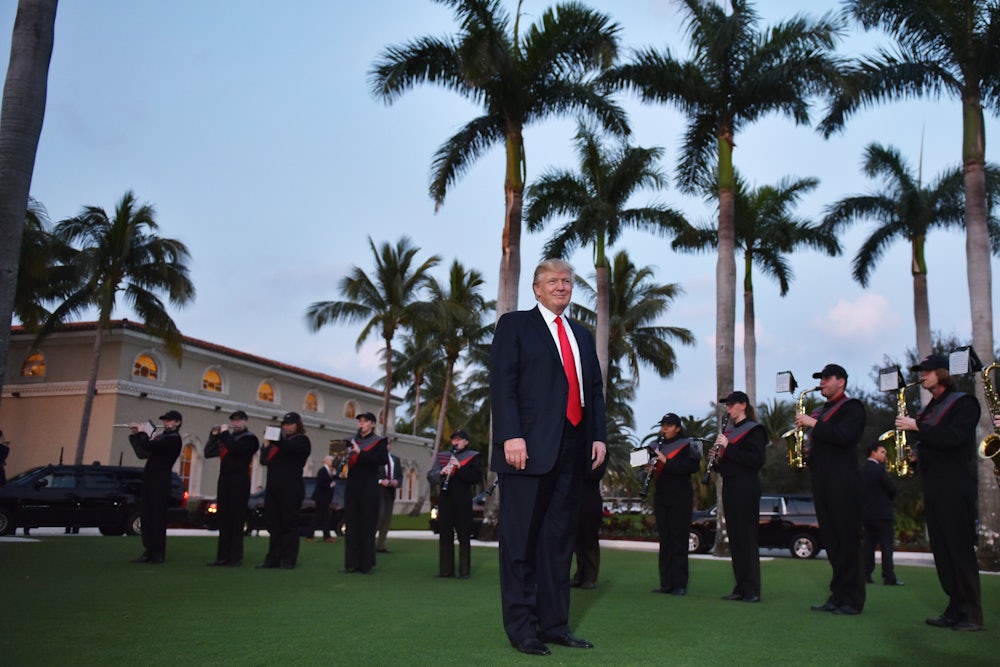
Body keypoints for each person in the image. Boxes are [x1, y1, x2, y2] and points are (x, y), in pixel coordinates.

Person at [490, 258, 607, 656]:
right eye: (553, 281)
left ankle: (555, 625)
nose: (561, 286)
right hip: (525, 450)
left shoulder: (582, 334)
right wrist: (511, 435)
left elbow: (594, 390)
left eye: (567, 281)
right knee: (520, 543)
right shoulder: (514, 325)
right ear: (537, 289)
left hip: (574, 450)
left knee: (558, 543)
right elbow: (502, 383)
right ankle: (523, 629)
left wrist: (598, 437)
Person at [896, 354, 983, 631]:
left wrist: (917, 427)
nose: (922, 375)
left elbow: (954, 439)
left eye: (927, 371)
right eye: (920, 371)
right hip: (933, 486)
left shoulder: (964, 403)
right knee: (943, 551)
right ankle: (955, 607)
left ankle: (972, 613)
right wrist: (915, 455)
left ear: (942, 373)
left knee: (959, 549)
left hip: (955, 485)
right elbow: (932, 442)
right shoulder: (930, 409)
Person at [795, 363, 866, 615]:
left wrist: (813, 424)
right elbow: (827, 441)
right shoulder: (821, 410)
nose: (821, 383)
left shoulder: (852, 407)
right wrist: (808, 451)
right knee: (833, 541)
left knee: (847, 540)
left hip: (843, 482)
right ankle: (838, 595)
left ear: (841, 381)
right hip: (822, 481)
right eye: (820, 379)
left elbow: (845, 436)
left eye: (826, 378)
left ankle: (853, 599)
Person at [714, 391, 767, 603]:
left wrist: (729, 447)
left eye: (731, 405)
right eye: (726, 406)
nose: (728, 409)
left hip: (747, 487)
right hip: (730, 486)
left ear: (743, 405)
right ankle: (740, 587)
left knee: (747, 538)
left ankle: (752, 589)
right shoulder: (729, 432)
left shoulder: (755, 430)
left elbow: (755, 460)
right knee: (735, 538)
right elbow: (726, 466)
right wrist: (716, 460)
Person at [649, 413, 702, 597]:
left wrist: (666, 462)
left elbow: (691, 467)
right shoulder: (657, 446)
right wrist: (648, 468)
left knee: (679, 540)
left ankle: (679, 584)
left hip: (680, 497)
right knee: (665, 541)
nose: (664, 428)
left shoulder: (687, 445)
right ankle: (666, 583)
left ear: (678, 428)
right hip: (662, 497)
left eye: (669, 425)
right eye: (663, 424)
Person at [205, 410, 260, 566]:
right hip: (225, 479)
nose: (236, 423)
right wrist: (214, 436)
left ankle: (235, 557)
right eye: (234, 421)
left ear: (245, 421)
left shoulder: (250, 439)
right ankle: (222, 556)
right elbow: (208, 452)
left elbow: (236, 450)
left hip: (240, 480)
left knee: (237, 519)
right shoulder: (227, 438)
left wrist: (224, 434)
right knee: (223, 518)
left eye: (239, 420)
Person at [128, 411, 183, 564]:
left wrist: (142, 433)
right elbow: (143, 453)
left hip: (161, 479)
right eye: (165, 420)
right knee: (147, 515)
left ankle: (158, 553)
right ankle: (148, 551)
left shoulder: (174, 439)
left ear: (177, 423)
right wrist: (136, 435)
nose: (166, 423)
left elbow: (148, 445)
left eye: (169, 420)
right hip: (150, 478)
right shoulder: (161, 437)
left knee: (157, 516)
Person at [257, 411, 311, 570]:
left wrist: (275, 437)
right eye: (285, 425)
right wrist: (266, 444)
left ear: (298, 425)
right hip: (273, 488)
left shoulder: (302, 441)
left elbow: (288, 447)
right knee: (274, 524)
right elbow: (264, 460)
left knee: (289, 524)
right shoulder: (276, 444)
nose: (287, 427)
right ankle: (273, 559)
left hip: (291, 488)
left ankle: (288, 560)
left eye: (290, 424)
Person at [428, 429, 482, 579]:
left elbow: (476, 477)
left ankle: (464, 571)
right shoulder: (443, 456)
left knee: (464, 535)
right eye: (454, 440)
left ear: (466, 441)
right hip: (445, 499)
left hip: (463, 500)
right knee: (445, 534)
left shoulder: (473, 456)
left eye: (459, 439)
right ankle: (446, 570)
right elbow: (431, 475)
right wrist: (441, 473)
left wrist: (460, 468)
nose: (456, 442)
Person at [342, 411, 388, 574]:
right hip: (352, 486)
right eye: (360, 420)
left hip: (369, 487)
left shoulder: (380, 441)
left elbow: (381, 460)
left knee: (367, 525)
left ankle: (366, 564)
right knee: (351, 525)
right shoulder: (348, 440)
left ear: (372, 424)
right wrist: (340, 457)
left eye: (365, 421)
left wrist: (360, 453)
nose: (361, 423)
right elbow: (336, 462)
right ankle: (351, 563)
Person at [860, 442, 901, 586]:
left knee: (868, 545)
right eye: (882, 452)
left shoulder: (862, 470)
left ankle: (865, 574)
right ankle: (889, 576)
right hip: (883, 514)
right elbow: (892, 489)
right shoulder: (879, 470)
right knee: (886, 546)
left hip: (867, 514)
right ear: (873, 452)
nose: (885, 455)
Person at [571, 449, 608, 590]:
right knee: (577, 540)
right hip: (574, 499)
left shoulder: (599, 451)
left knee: (590, 539)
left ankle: (590, 577)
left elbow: (595, 473)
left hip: (590, 500)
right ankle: (580, 575)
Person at [376, 442, 403, 553]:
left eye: (388, 444)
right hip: (378, 491)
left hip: (390, 492)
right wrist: (381, 481)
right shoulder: (375, 459)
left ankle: (381, 545)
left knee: (387, 520)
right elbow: (370, 475)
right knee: (378, 517)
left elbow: (400, 476)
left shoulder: (395, 460)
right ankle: (367, 545)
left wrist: (397, 482)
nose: (387, 446)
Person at [307, 455, 336, 543]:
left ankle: (327, 536)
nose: (332, 462)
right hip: (321, 498)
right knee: (318, 517)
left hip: (325, 498)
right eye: (331, 461)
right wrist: (330, 485)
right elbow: (320, 483)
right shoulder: (322, 471)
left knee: (325, 518)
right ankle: (310, 535)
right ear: (326, 461)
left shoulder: (328, 471)